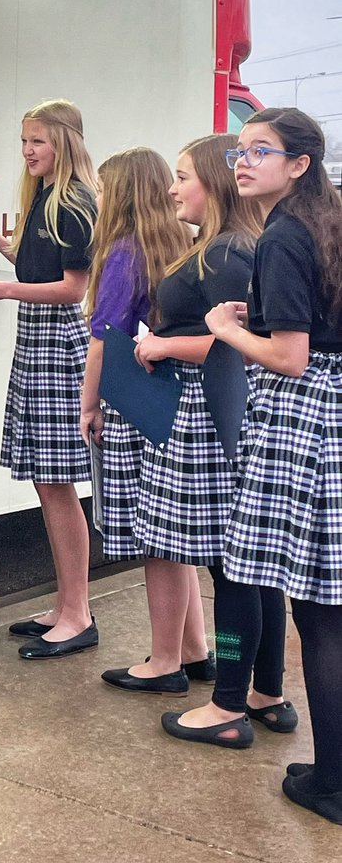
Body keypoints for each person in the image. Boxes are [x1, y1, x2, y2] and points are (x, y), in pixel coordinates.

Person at [108, 136, 291, 738]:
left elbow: (238, 345)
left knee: (232, 567)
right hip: (211, 415)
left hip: (212, 420)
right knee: (243, 566)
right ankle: (265, 695)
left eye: (182, 176)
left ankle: (234, 706)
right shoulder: (224, 247)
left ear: (209, 183)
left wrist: (159, 344)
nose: (171, 187)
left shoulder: (226, 255)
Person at [206, 109, 342, 823]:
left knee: (320, 614)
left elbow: (292, 358)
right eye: (240, 149)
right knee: (331, 607)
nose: (244, 161)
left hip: (307, 423)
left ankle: (331, 783)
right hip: (336, 416)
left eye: (262, 151)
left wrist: (229, 328)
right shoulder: (326, 220)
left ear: (299, 164)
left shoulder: (283, 235)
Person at [0, 100, 99, 659]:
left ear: (65, 141)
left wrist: (0, 291)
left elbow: (72, 289)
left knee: (58, 481)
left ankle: (78, 613)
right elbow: (32, 266)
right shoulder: (44, 198)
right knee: (46, 479)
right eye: (23, 141)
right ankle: (66, 605)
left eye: (37, 140)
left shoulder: (77, 201)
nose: (28, 150)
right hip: (38, 339)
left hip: (58, 342)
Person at [79, 147, 192, 567]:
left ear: (122, 196)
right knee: (179, 550)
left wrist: (89, 406)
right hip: (180, 396)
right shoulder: (180, 240)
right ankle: (198, 639)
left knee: (155, 547)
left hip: (139, 403)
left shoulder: (124, 253)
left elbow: (104, 338)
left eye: (104, 191)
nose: (99, 200)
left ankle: (181, 639)